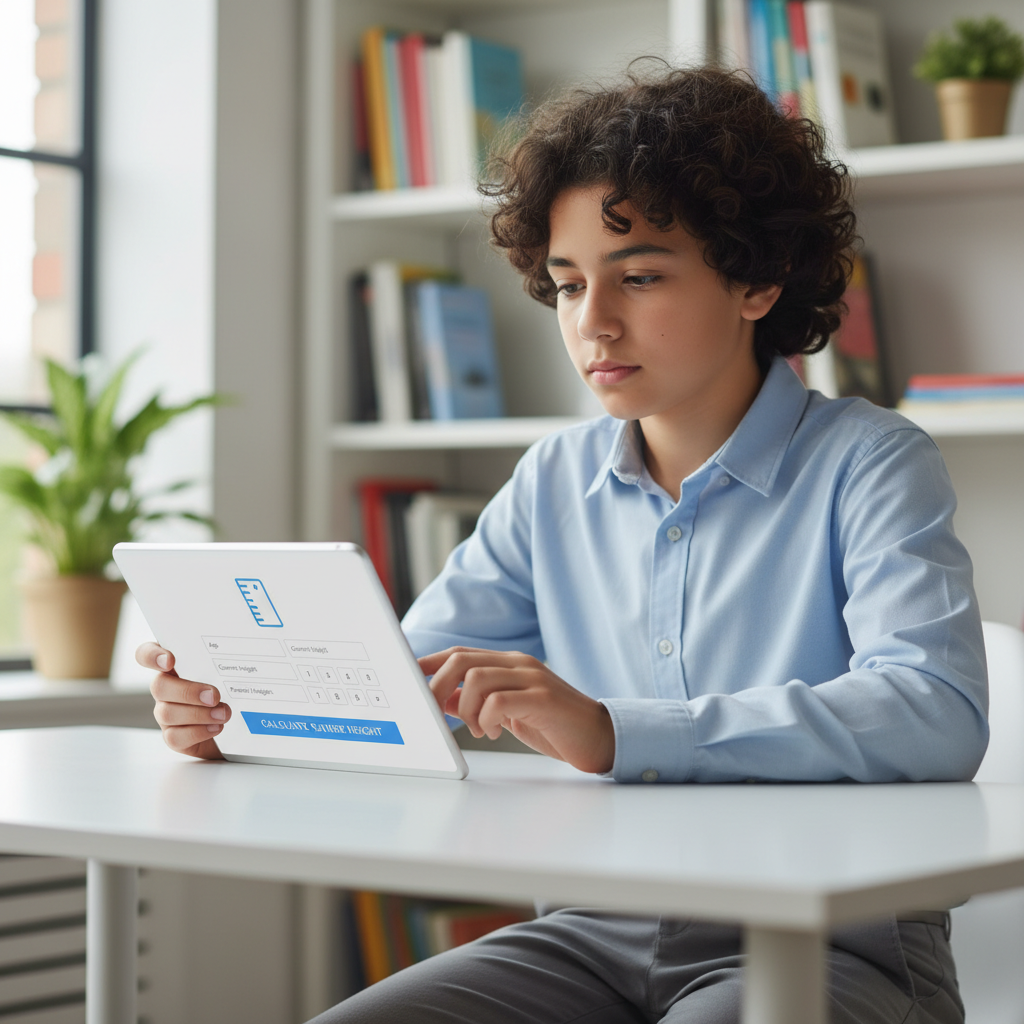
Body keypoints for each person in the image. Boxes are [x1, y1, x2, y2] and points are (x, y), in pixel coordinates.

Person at [139, 64, 987, 1023]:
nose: (593, 324)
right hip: (593, 935)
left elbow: (935, 709)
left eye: (641, 277)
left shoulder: (870, 462)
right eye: (569, 284)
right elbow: (404, 691)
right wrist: (240, 711)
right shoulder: (553, 478)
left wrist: (616, 730)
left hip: (824, 946)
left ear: (757, 279)